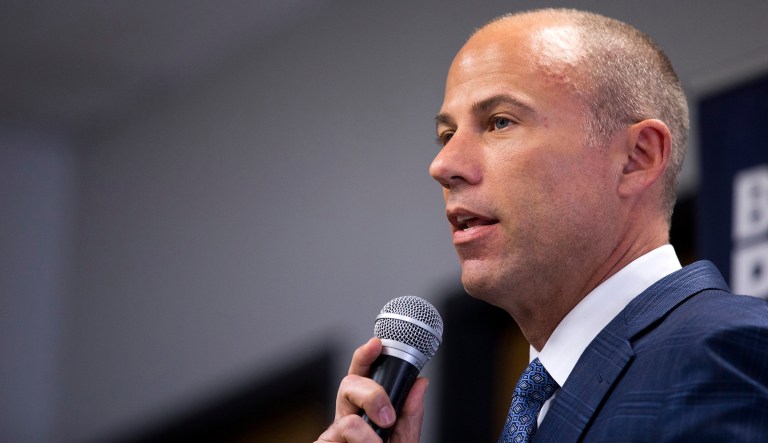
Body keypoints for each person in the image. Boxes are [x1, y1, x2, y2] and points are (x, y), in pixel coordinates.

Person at [316, 8, 768, 443]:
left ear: (637, 158)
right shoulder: (543, 405)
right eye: (447, 135)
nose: (442, 164)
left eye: (499, 122)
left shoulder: (725, 352)